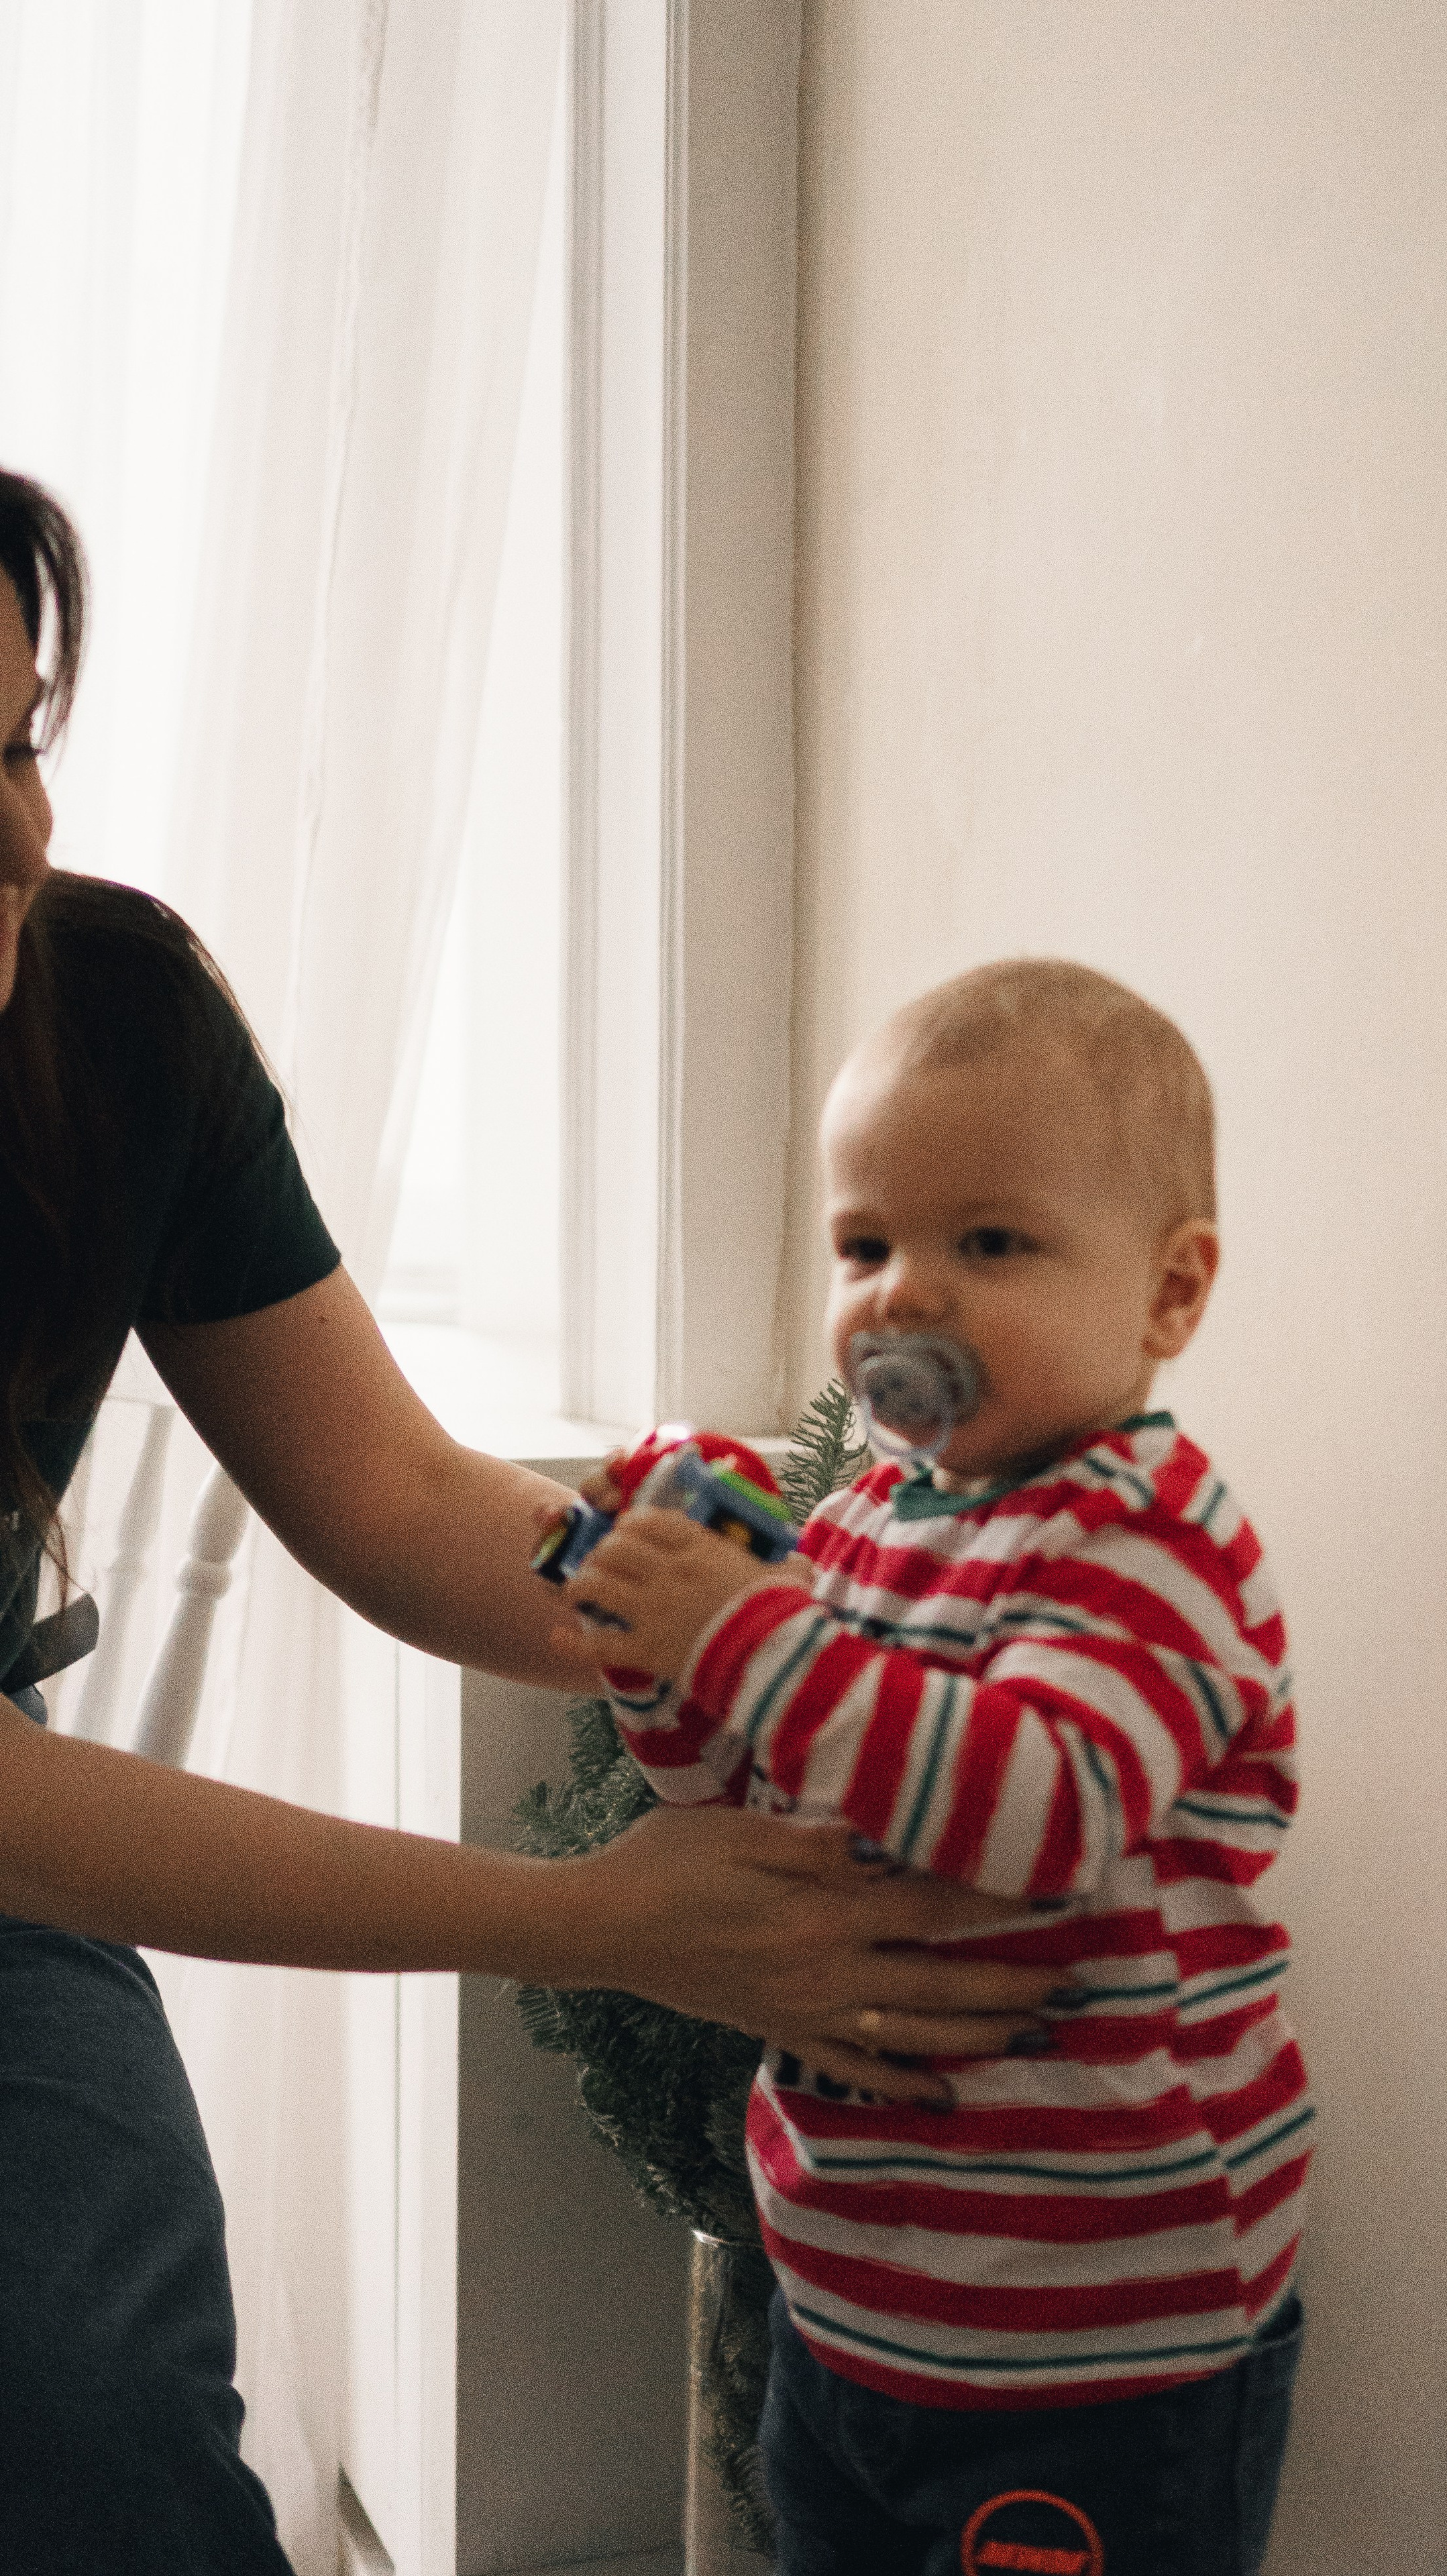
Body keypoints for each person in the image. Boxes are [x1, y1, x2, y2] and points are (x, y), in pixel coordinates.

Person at [0, 470, 1062, 2576]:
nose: (23, 832)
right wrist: (598, 1917)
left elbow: (398, 1495)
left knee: (98, 2419)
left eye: (20, 740)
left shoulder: (114, 1020)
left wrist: (763, 1603)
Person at [570, 959, 1314, 2576]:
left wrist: (749, 1634)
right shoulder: (857, 1525)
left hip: (1097, 2341)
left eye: (987, 1243)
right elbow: (730, 1794)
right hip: (850, 2290)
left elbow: (1034, 1813)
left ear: (1167, 1294)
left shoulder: (1148, 1541)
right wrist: (653, 1637)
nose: (904, 1293)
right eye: (867, 1245)